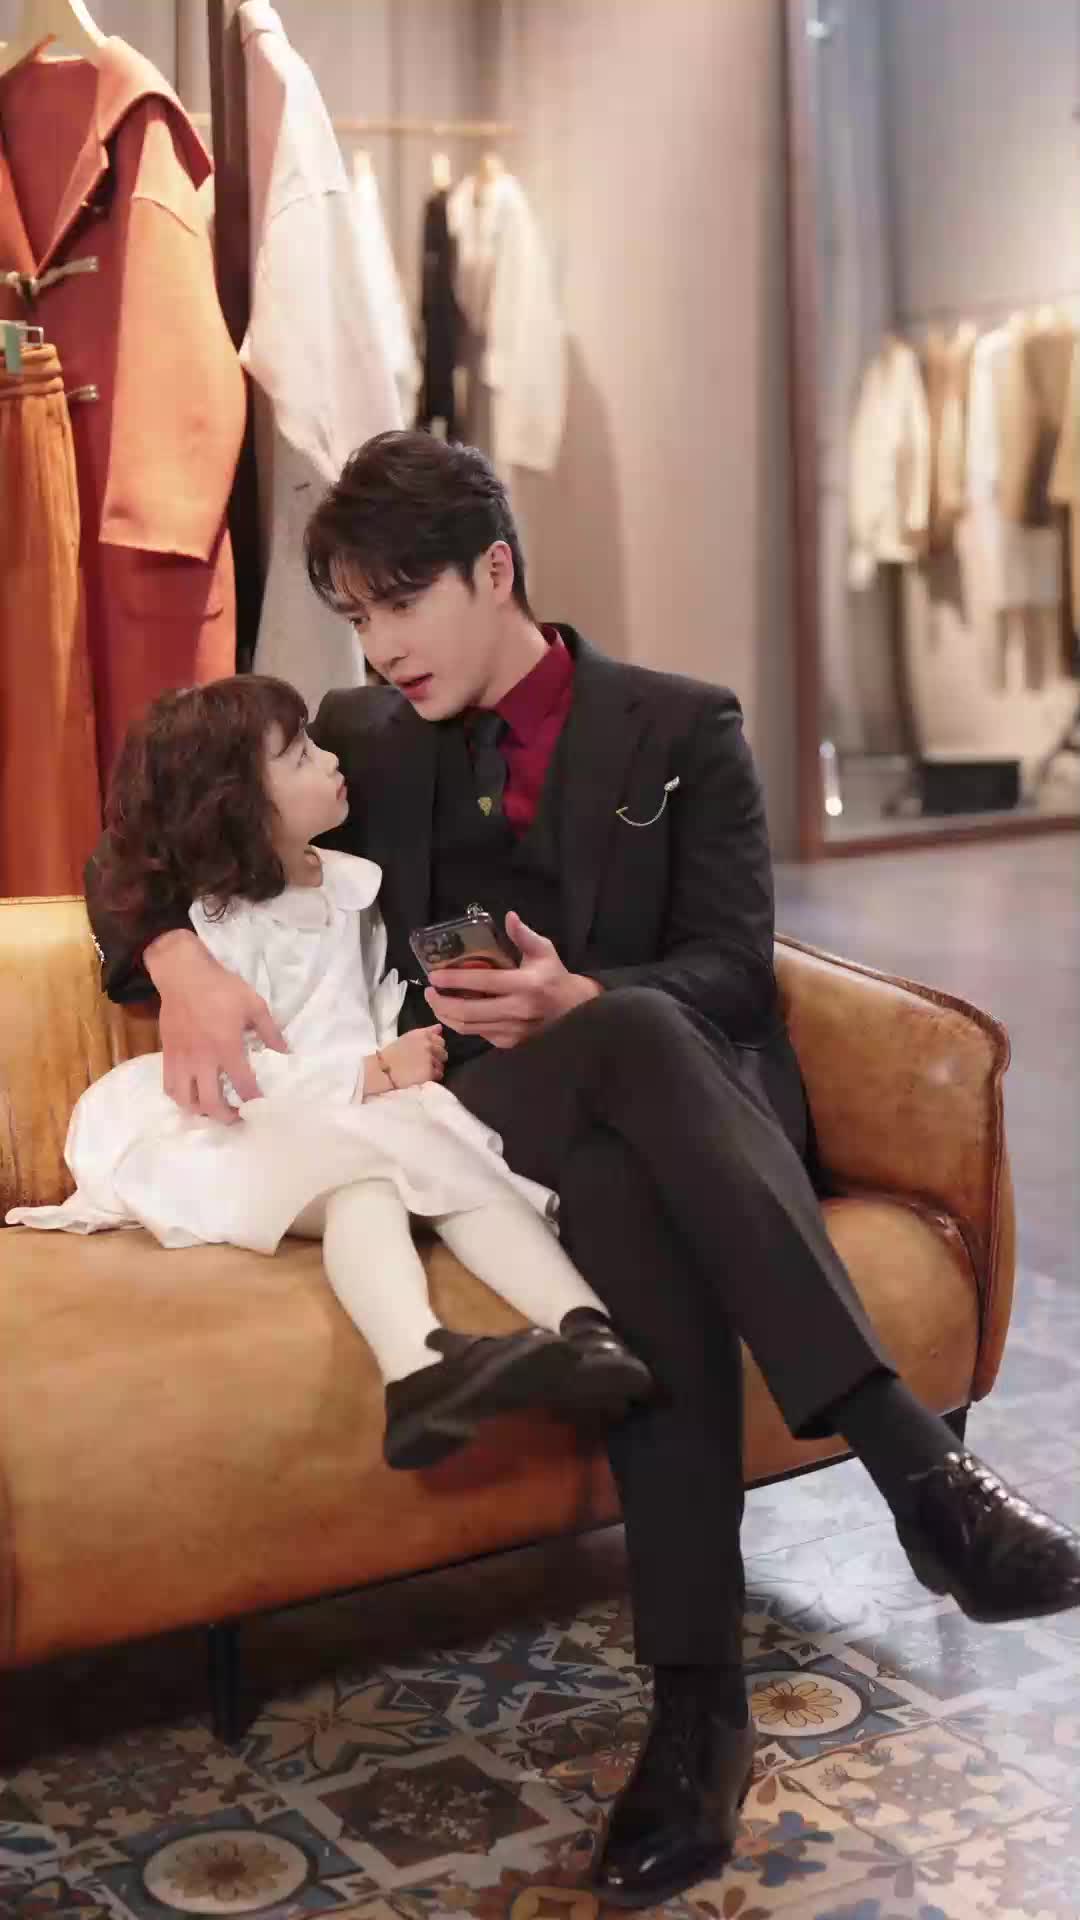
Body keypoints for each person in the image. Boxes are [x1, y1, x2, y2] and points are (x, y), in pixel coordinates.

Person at [85, 433, 1080, 1909]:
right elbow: (135, 839)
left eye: (400, 602)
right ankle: (918, 1473)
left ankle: (697, 1721)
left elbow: (735, 972)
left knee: (633, 1102)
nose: (380, 645)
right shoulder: (358, 737)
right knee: (618, 1092)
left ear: (495, 569)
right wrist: (179, 960)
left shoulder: (683, 726)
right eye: (356, 616)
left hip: (668, 1110)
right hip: (471, 1115)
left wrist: (580, 997)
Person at [9, 676, 653, 1473]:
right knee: (365, 1182)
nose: (329, 760)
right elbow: (243, 1078)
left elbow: (364, 1001)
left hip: (349, 1104)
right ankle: (416, 1365)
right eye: (299, 756)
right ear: (239, 804)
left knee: (461, 1163)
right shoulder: (216, 922)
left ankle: (587, 1331)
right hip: (229, 1124)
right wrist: (372, 1073)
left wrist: (402, 1051)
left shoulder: (351, 888)